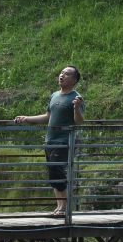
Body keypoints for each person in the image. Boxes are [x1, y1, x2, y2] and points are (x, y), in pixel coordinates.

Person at [14, 65, 86, 217]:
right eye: (61, 73)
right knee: (53, 172)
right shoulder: (54, 95)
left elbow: (79, 122)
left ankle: (64, 207)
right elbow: (48, 116)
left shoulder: (76, 98)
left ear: (74, 80)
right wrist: (27, 119)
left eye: (67, 74)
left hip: (64, 141)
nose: (62, 75)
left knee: (57, 170)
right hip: (50, 140)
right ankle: (59, 206)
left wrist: (76, 108)